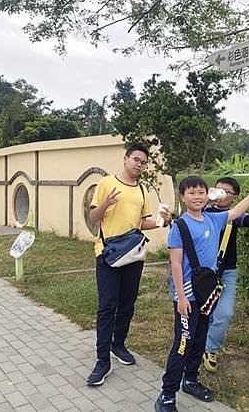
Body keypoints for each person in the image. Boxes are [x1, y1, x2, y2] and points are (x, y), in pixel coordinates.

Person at [155, 175, 249, 412]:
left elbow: (237, 211)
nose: (197, 197)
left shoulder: (214, 220)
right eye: (191, 193)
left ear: (208, 195)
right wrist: (181, 299)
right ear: (183, 198)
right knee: (182, 345)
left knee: (198, 340)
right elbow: (175, 264)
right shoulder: (180, 226)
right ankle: (166, 395)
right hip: (187, 297)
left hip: (206, 295)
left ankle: (191, 380)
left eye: (201, 192)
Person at [86, 143, 172, 386]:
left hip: (133, 256)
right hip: (108, 254)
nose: (139, 164)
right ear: (125, 159)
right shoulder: (106, 184)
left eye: (143, 162)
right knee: (107, 307)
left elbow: (141, 223)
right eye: (136, 159)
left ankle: (118, 344)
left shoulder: (142, 190)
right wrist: (105, 204)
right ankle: (102, 360)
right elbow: (93, 217)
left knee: (127, 304)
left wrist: (162, 222)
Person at [203, 177, 249, 373]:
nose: (220, 193)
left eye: (225, 191)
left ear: (234, 197)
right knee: (206, 312)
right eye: (217, 189)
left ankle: (210, 349)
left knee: (224, 313)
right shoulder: (202, 210)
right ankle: (202, 346)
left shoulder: (234, 216)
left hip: (227, 272)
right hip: (204, 273)